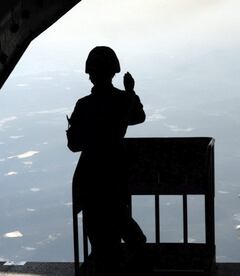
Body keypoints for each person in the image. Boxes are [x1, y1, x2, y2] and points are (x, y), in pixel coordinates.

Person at [67, 46, 147, 275]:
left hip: (90, 179)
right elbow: (138, 117)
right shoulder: (122, 101)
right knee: (128, 233)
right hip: (115, 175)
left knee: (101, 242)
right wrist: (130, 91)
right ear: (113, 72)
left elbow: (74, 145)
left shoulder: (83, 105)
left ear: (90, 73)